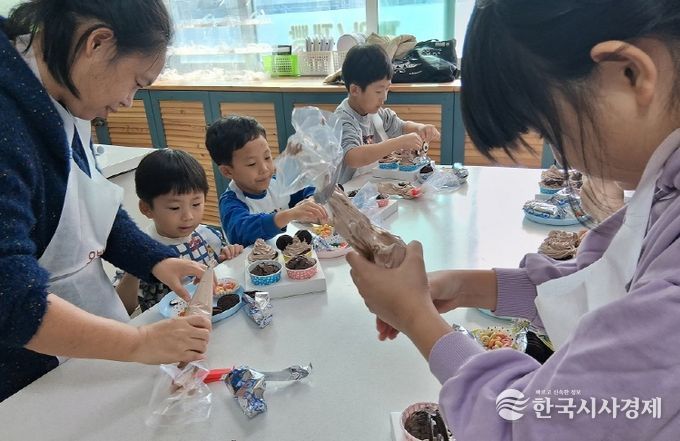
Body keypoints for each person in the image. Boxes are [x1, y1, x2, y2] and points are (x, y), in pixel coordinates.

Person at [347, 1, 680, 439]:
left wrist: (415, 316)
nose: (560, 155)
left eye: (551, 128)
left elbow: (525, 426)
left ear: (629, 73)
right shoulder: (665, 194)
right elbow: (600, 282)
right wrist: (465, 286)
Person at [0, 0, 211, 401]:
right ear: (97, 44)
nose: (129, 101)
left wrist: (155, 260)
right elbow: (9, 298)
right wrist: (139, 343)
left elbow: (86, 206)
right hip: (24, 373)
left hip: (87, 339)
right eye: (136, 82)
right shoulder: (10, 118)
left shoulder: (64, 89)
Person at [115, 149, 244, 314]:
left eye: (196, 204)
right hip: (171, 325)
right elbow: (122, 308)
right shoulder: (140, 247)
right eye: (175, 207)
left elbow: (218, 272)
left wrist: (228, 255)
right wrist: (136, 266)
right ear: (146, 208)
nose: (188, 216)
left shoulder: (207, 235)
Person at [205, 115, 328, 247]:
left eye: (267, 157)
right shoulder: (231, 202)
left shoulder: (277, 183)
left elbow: (307, 189)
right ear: (227, 171)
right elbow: (242, 231)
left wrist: (312, 200)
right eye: (252, 164)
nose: (264, 169)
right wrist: (289, 215)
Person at [334, 43, 441, 184]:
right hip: (347, 190)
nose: (384, 97)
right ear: (355, 90)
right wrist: (398, 143)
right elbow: (353, 157)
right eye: (378, 91)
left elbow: (402, 126)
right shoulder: (343, 119)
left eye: (387, 89)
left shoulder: (377, 114)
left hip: (369, 185)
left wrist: (420, 128)